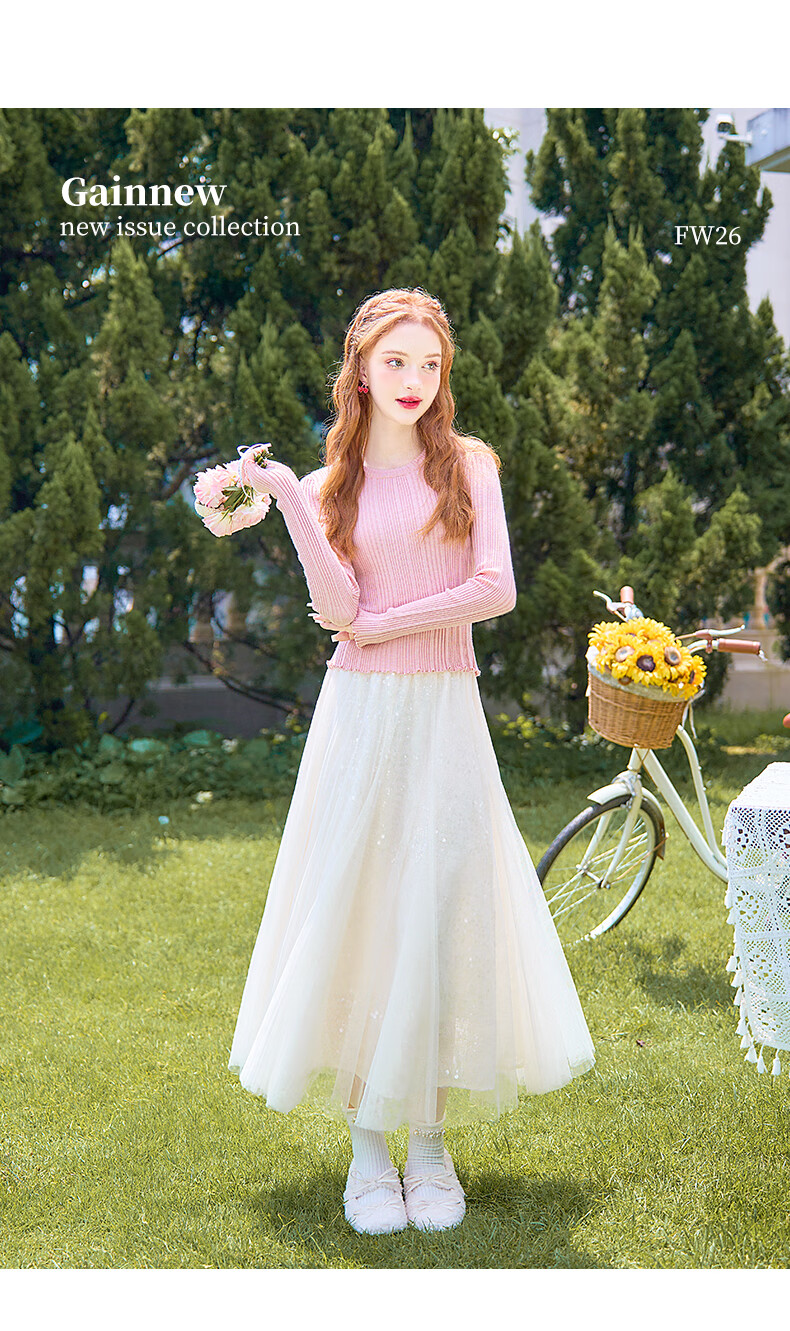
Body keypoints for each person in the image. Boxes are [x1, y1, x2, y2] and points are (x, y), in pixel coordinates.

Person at [228, 287, 595, 1237]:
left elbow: (495, 587)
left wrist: (390, 623)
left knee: (438, 914)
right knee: (361, 917)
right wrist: (288, 498)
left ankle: (428, 1144)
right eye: (396, 361)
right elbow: (338, 610)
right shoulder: (331, 483)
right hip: (359, 719)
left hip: (443, 714)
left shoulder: (469, 465)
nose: (414, 380)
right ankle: (367, 1148)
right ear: (360, 369)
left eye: (429, 364)